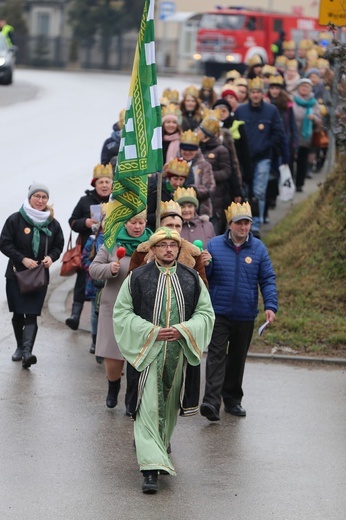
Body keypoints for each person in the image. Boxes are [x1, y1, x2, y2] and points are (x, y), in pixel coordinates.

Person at [113, 227, 215, 493]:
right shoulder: (136, 277)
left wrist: (183, 330)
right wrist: (152, 332)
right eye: (163, 245)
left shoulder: (192, 278)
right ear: (154, 249)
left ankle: (160, 450)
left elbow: (206, 314)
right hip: (147, 356)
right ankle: (150, 470)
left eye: (173, 245)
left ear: (178, 249)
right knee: (147, 410)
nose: (168, 249)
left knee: (168, 413)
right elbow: (122, 313)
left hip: (178, 356)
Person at [200, 202, 278, 422]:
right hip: (219, 312)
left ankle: (232, 400)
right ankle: (211, 402)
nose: (244, 227)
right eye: (239, 223)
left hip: (245, 314)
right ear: (230, 224)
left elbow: (267, 279)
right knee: (216, 356)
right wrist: (207, 265)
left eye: (247, 223)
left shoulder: (258, 249)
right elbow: (207, 275)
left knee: (236, 358)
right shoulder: (214, 245)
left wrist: (270, 306)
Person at [89, 210, 152, 409]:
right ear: (125, 223)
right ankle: (113, 387)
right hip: (114, 305)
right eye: (133, 222)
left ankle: (131, 399)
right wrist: (109, 269)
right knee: (113, 353)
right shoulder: (112, 243)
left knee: (136, 355)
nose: (137, 227)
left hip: (140, 308)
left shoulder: (152, 245)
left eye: (141, 222)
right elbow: (93, 269)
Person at [0, 183, 64, 367]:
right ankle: (20, 347)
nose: (40, 200)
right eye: (37, 196)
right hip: (16, 275)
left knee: (32, 314)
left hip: (38, 277)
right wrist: (22, 259)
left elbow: (58, 246)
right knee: (18, 313)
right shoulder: (16, 219)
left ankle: (28, 353)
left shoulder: (52, 223)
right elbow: (4, 243)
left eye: (44, 197)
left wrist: (51, 258)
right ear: (29, 198)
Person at [234, 77, 287, 238]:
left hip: (263, 157)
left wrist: (267, 146)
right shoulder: (240, 111)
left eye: (258, 92)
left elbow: (279, 133)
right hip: (244, 159)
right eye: (253, 92)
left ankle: (256, 224)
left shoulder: (271, 111)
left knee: (258, 192)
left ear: (263, 94)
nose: (256, 95)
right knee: (244, 191)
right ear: (249, 94)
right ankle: (240, 222)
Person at [65, 164, 113, 330]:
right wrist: (84, 222)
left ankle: (99, 322)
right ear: (95, 184)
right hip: (88, 248)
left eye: (107, 181)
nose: (105, 185)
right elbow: (72, 221)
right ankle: (75, 315)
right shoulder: (85, 201)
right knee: (81, 282)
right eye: (101, 182)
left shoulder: (116, 201)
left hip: (108, 247)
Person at [292, 78, 321, 192]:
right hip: (293, 135)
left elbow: (319, 117)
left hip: (306, 137)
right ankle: (289, 181)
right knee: (290, 159)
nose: (304, 88)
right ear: (298, 88)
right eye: (302, 86)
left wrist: (314, 118)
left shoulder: (313, 102)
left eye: (307, 87)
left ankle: (299, 183)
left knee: (302, 161)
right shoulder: (292, 99)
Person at [146, 157, 191, 230]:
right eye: (175, 179)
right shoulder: (157, 191)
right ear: (169, 178)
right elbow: (148, 216)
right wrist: (162, 215)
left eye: (181, 180)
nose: (178, 183)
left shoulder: (187, 192)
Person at [179, 129, 215, 219]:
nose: (187, 152)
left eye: (191, 150)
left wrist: (192, 189)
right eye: (184, 149)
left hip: (201, 210)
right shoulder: (174, 163)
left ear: (197, 150)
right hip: (178, 210)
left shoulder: (205, 165)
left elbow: (210, 187)